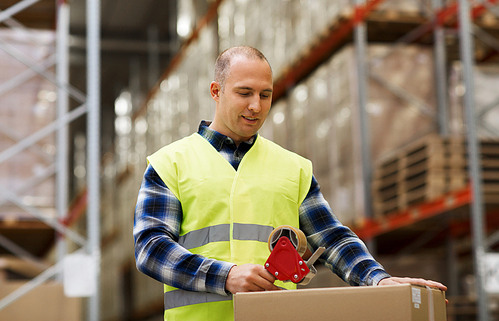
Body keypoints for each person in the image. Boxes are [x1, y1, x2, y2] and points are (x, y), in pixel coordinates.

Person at [133, 46, 447, 320]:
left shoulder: (292, 168)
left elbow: (331, 238)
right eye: (244, 93)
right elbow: (151, 249)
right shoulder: (170, 163)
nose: (256, 106)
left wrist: (377, 280)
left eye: (265, 95)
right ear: (216, 91)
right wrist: (225, 276)